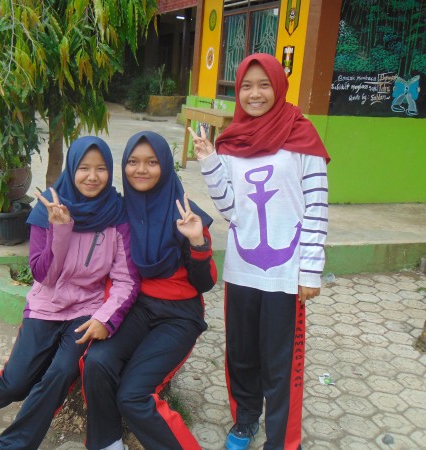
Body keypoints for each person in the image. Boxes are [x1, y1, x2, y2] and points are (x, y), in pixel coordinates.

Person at [0, 136, 139, 448]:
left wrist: (105, 318)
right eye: (84, 168)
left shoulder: (116, 213)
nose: (92, 176)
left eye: (101, 169)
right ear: (72, 168)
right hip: (46, 306)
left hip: (86, 309)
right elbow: (44, 275)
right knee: (17, 382)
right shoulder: (49, 208)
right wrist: (61, 230)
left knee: (60, 373)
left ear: (110, 172)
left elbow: (126, 279)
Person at [189, 53, 330, 450]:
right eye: (246, 86)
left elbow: (317, 206)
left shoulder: (302, 136)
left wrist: (310, 270)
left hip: (286, 276)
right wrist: (210, 162)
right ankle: (246, 420)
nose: (255, 94)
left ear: (278, 86)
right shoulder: (232, 141)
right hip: (242, 272)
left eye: (264, 84)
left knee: (281, 363)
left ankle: (283, 440)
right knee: (243, 355)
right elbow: (231, 210)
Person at [83, 131, 217, 450]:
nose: (141, 170)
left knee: (133, 395)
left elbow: (205, 283)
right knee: (97, 362)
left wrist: (197, 241)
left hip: (178, 316)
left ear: (165, 166)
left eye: (151, 162)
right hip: (137, 308)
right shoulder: (120, 210)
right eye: (133, 162)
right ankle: (107, 443)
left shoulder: (186, 213)